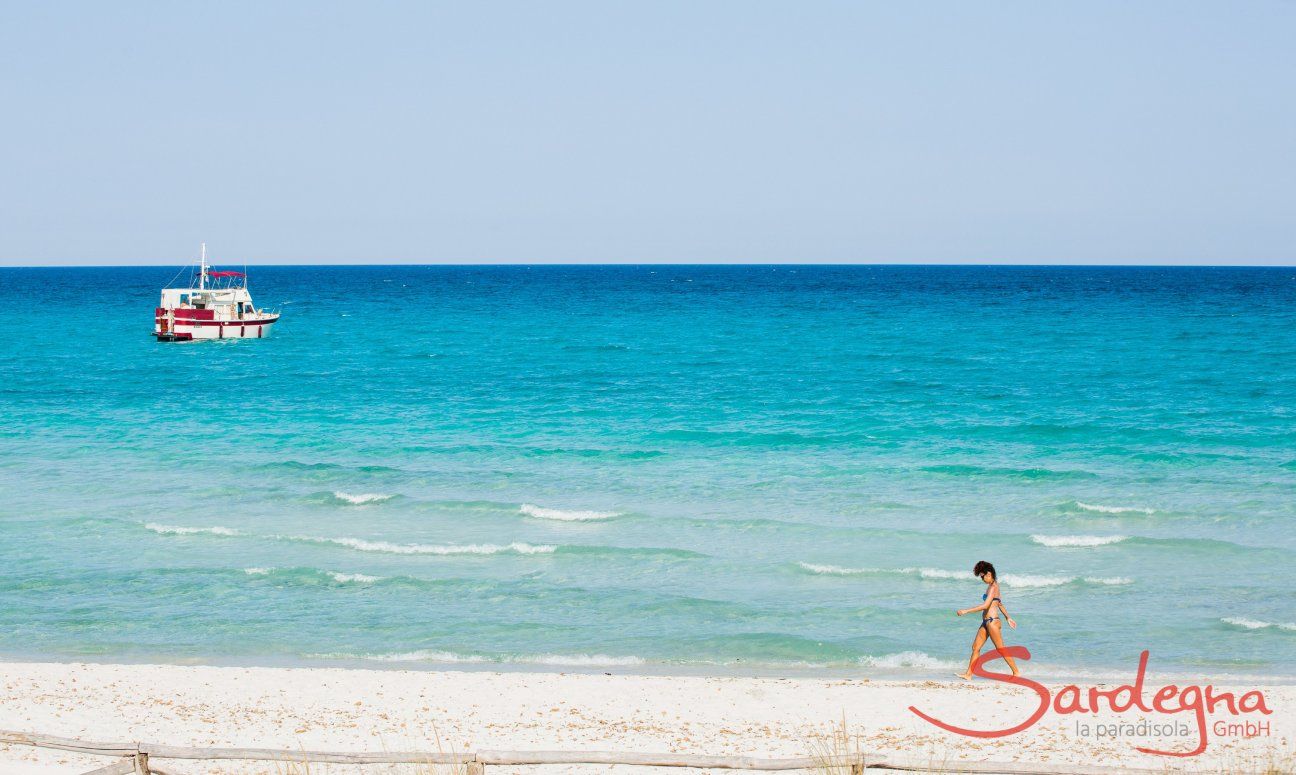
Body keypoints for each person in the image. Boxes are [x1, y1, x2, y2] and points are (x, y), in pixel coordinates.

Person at [955, 560, 1019, 680]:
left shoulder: (994, 587)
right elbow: (999, 604)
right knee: (975, 647)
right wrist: (1008, 617)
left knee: (1000, 649)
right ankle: (969, 674)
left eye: (982, 577)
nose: (982, 579)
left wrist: (966, 611)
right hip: (986, 622)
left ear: (989, 574)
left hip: (992, 621)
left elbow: (985, 606)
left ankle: (1016, 672)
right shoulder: (991, 586)